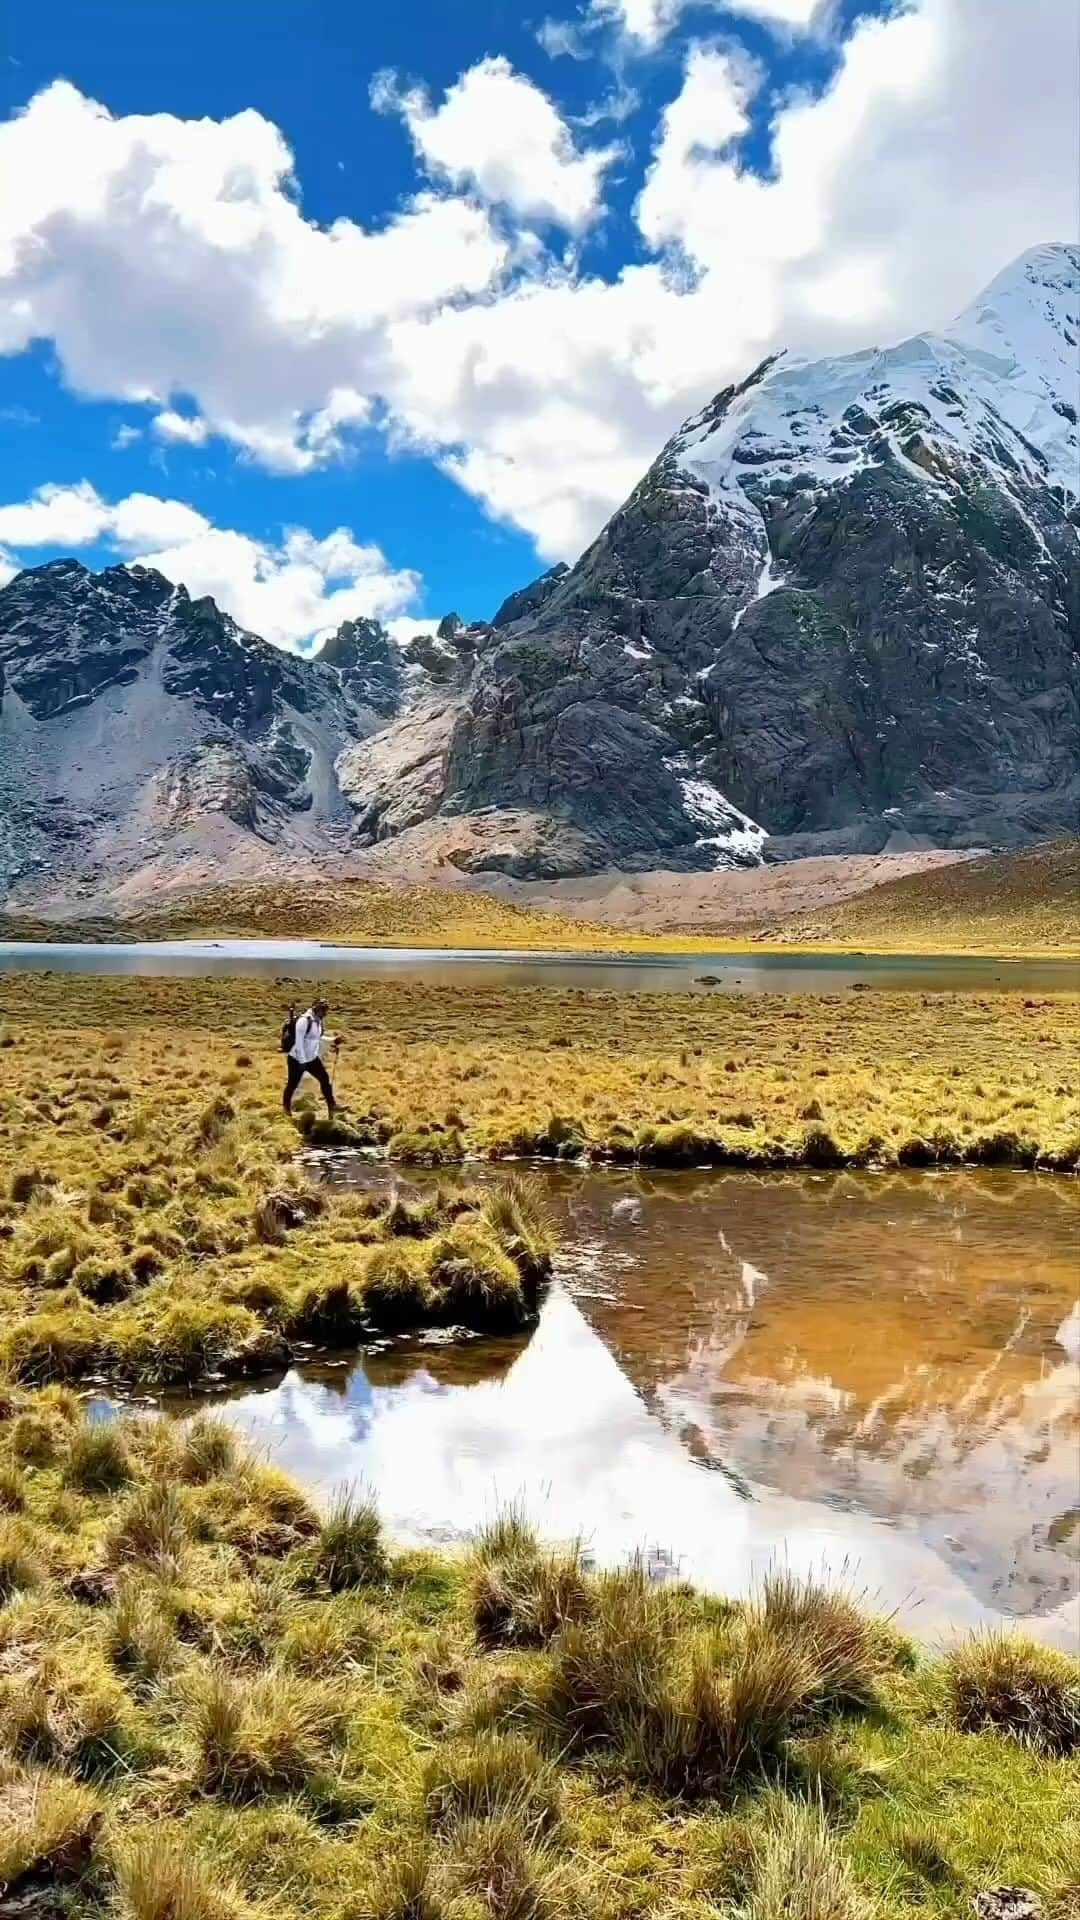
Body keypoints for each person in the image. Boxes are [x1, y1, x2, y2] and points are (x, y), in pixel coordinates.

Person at [283, 999, 339, 1117]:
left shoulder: (317, 1022)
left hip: (311, 1058)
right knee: (292, 1084)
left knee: (324, 1079)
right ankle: (286, 1109)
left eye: (325, 1010)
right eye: (322, 1009)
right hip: (296, 1059)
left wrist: (333, 1041)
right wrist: (302, 1062)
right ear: (315, 1008)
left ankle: (332, 1106)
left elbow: (317, 1038)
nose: (324, 1012)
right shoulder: (304, 1021)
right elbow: (299, 1043)